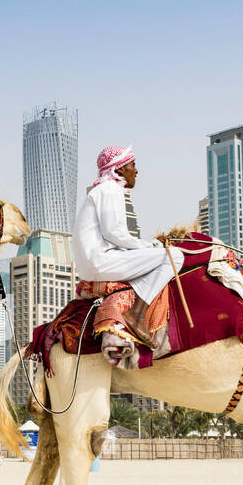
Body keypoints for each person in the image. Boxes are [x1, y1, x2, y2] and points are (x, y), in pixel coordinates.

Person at [72, 145, 180, 368]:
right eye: (132, 165)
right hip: (102, 260)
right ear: (120, 170)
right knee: (174, 257)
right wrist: (148, 245)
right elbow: (114, 233)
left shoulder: (103, 191)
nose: (136, 170)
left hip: (98, 261)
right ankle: (137, 313)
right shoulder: (110, 190)